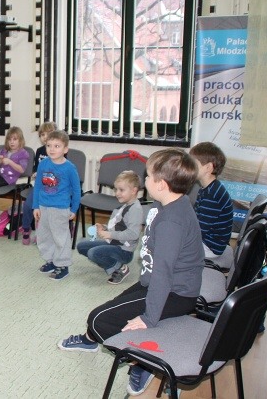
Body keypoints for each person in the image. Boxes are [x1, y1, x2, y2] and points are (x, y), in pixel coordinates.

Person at [57, 148, 204, 397]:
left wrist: (149, 317)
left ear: (162, 184)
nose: (145, 180)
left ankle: (145, 363)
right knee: (110, 309)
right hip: (157, 282)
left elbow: (163, 274)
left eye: (148, 176)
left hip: (174, 292)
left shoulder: (172, 222)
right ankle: (93, 340)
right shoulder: (169, 203)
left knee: (97, 319)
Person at [76, 170, 143, 284]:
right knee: (81, 246)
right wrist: (105, 228)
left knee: (93, 253)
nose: (117, 193)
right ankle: (110, 263)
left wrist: (110, 234)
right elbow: (118, 226)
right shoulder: (125, 205)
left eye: (121, 190)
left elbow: (133, 234)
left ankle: (120, 268)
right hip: (114, 243)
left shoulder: (135, 209)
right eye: (116, 189)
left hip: (124, 251)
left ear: (133, 190)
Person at [32, 131, 81, 280]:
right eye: (49, 145)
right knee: (44, 235)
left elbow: (77, 190)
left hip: (60, 208)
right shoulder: (43, 164)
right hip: (43, 206)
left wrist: (74, 209)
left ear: (65, 149)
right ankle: (51, 260)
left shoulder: (69, 168)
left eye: (57, 146)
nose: (52, 149)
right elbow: (37, 186)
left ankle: (63, 265)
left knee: (61, 237)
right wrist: (36, 206)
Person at [189, 142, 234, 269]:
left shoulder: (212, 196)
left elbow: (199, 230)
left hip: (210, 246)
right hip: (211, 241)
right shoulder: (209, 188)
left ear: (208, 167)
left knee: (171, 246)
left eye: (193, 163)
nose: (189, 166)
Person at [21, 121, 56, 245]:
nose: (45, 137)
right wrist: (35, 173)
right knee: (27, 205)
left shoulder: (59, 151)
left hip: (53, 188)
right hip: (39, 187)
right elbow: (36, 167)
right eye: (42, 134)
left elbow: (61, 171)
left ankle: (42, 232)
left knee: (46, 208)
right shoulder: (39, 151)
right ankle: (26, 229)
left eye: (48, 133)